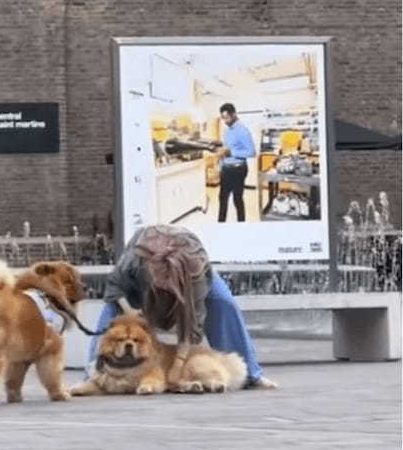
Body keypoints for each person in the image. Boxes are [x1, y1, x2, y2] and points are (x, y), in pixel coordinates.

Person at [86, 223, 277, 389]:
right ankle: (93, 374)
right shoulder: (136, 258)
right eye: (157, 276)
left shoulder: (196, 271)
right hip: (137, 285)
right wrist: (130, 312)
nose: (161, 284)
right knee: (111, 311)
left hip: (193, 277)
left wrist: (177, 366)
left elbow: (191, 327)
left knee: (223, 302)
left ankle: (252, 375)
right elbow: (114, 287)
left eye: (166, 279)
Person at [217, 102, 256, 223]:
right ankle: (220, 226)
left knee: (237, 199)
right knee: (222, 198)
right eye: (223, 118)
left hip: (238, 170)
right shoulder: (227, 131)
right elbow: (226, 149)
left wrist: (232, 153)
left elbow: (251, 152)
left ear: (234, 114)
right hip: (226, 169)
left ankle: (241, 225)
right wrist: (221, 164)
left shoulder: (243, 131)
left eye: (227, 118)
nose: (225, 121)